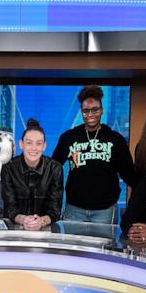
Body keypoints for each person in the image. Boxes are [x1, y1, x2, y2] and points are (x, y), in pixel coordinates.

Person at [52, 84, 136, 223]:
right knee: (72, 245)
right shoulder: (69, 137)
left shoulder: (115, 139)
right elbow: (53, 167)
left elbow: (129, 175)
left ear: (102, 110)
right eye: (86, 111)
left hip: (105, 210)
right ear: (81, 111)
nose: (90, 115)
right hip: (74, 209)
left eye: (95, 110)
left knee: (103, 245)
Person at [2, 118, 64, 230]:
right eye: (29, 143)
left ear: (44, 146)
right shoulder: (9, 167)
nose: (34, 148)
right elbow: (10, 207)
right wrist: (24, 220)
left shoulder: (55, 168)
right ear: (21, 144)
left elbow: (55, 209)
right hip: (15, 229)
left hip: (45, 229)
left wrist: (41, 221)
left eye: (38, 143)